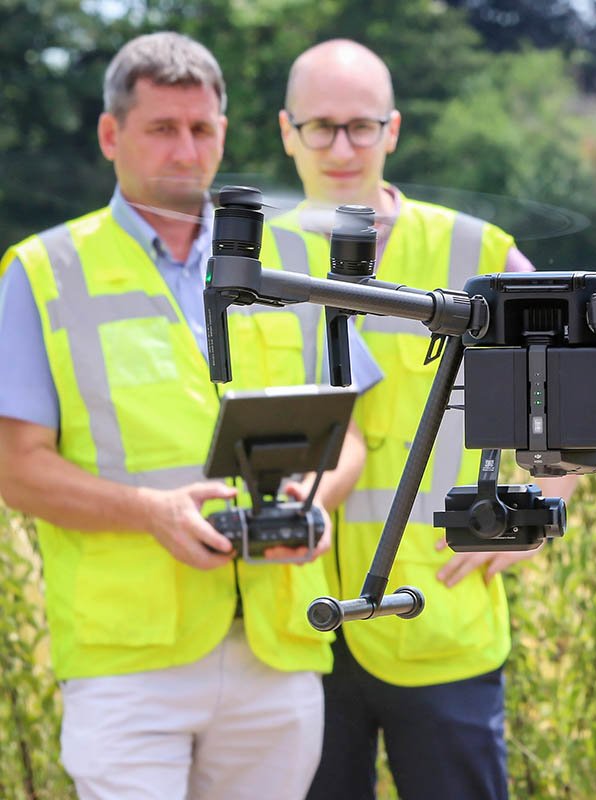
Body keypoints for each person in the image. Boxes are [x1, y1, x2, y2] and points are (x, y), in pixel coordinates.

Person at [0, 32, 379, 800]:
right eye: (162, 129)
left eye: (201, 129)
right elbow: (17, 466)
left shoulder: (295, 261)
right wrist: (150, 512)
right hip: (128, 663)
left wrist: (315, 500)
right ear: (112, 135)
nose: (186, 149)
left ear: (224, 136)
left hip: (277, 648)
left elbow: (351, 437)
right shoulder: (42, 272)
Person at [275, 39, 573, 800]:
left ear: (393, 129)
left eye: (361, 126)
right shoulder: (253, 261)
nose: (341, 147)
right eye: (320, 127)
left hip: (436, 615)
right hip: (290, 629)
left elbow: (575, 370)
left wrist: (543, 508)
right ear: (287, 131)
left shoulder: (473, 248)